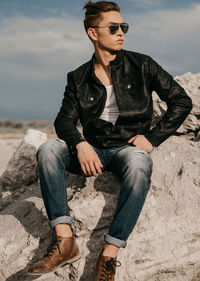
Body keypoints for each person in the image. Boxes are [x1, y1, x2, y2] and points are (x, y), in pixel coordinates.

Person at [28, 1, 192, 280]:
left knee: (140, 165)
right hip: (92, 150)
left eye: (124, 27)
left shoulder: (142, 64)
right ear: (93, 33)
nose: (121, 32)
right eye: (113, 27)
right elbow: (63, 120)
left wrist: (152, 139)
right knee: (48, 150)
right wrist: (80, 144)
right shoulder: (78, 77)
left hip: (127, 149)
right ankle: (65, 241)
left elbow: (181, 101)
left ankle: (110, 253)